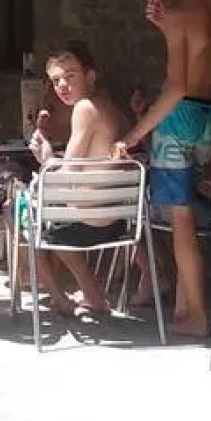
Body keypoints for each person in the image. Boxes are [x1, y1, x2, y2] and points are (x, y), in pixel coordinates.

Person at [113, 0, 211, 338]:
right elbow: (209, 60)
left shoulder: (181, 15)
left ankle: (197, 314)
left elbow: (177, 85)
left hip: (180, 118)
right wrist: (168, 28)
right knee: (195, 219)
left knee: (181, 221)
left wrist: (134, 133)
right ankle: (185, 308)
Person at [27, 43, 131, 316]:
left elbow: (67, 176)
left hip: (91, 222)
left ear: (90, 75)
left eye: (70, 75)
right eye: (56, 80)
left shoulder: (84, 108)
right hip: (121, 222)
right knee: (47, 211)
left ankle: (62, 298)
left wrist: (46, 157)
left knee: (16, 213)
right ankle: (91, 294)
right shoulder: (113, 110)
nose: (62, 85)